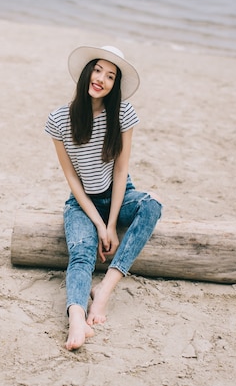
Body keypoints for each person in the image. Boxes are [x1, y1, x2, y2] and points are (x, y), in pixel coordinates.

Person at [45, 45, 163, 351]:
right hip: (82, 203)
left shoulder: (122, 113)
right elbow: (72, 179)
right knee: (82, 253)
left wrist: (111, 224)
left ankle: (104, 290)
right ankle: (76, 319)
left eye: (110, 76)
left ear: (115, 85)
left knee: (152, 204)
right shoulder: (59, 119)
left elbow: (122, 171)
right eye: (97, 70)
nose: (101, 79)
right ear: (87, 73)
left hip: (117, 197)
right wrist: (99, 225)